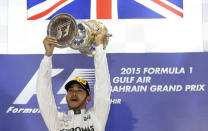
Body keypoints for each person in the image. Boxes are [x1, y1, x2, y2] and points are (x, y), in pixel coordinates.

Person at [36, 31, 111, 131]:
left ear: (88, 98)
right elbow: (43, 95)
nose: (74, 93)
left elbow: (102, 86)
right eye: (70, 90)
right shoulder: (57, 121)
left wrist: (99, 47)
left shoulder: (96, 117)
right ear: (66, 96)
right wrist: (48, 56)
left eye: (80, 90)